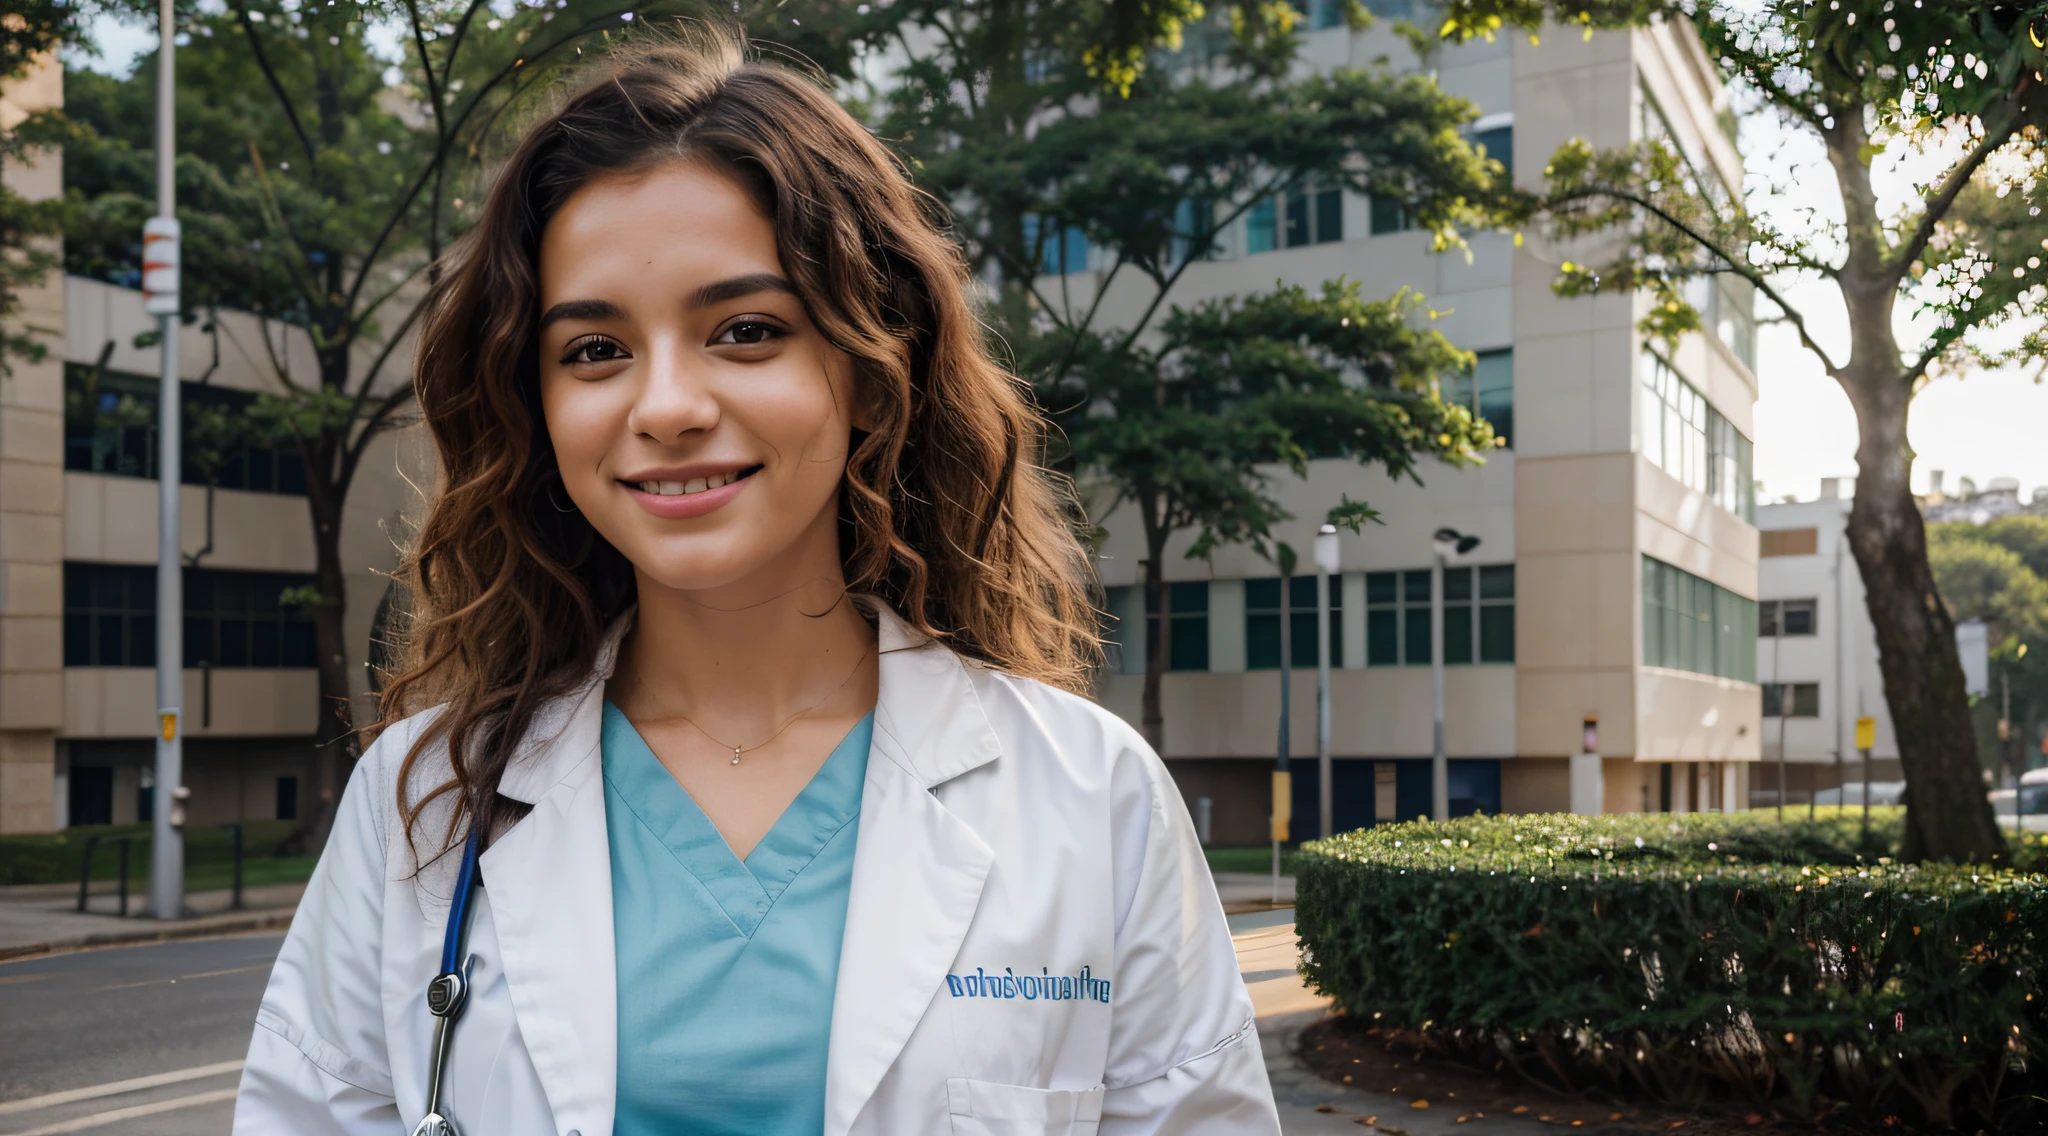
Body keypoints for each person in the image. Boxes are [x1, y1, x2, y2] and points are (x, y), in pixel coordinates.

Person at [233, 27, 1276, 1136]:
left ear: (874, 375)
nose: (666, 404)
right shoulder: (423, 801)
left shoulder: (1089, 797)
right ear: (536, 407)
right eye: (593, 350)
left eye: (744, 330)